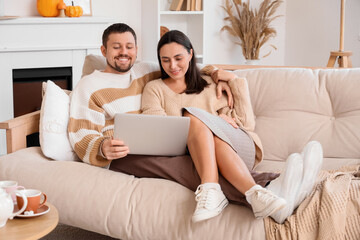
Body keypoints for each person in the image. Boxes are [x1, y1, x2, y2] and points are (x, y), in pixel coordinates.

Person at [140, 30, 323, 223]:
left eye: (178, 58)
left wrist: (234, 81)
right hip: (199, 153)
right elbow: (160, 131)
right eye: (165, 60)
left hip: (238, 145)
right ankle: (260, 193)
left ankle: (211, 187)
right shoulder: (155, 89)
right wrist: (213, 121)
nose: (173, 66)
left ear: (191, 54)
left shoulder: (212, 83)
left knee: (194, 118)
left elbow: (245, 123)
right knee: (201, 125)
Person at [68, 23, 232, 167]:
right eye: (116, 47)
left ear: (136, 50)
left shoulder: (144, 70)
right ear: (104, 50)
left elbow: (183, 66)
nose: (124, 52)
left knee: (202, 159)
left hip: (156, 148)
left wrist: (217, 73)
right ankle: (254, 186)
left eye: (129, 47)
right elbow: (80, 133)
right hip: (121, 155)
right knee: (195, 165)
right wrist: (102, 148)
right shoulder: (88, 85)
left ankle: (248, 189)